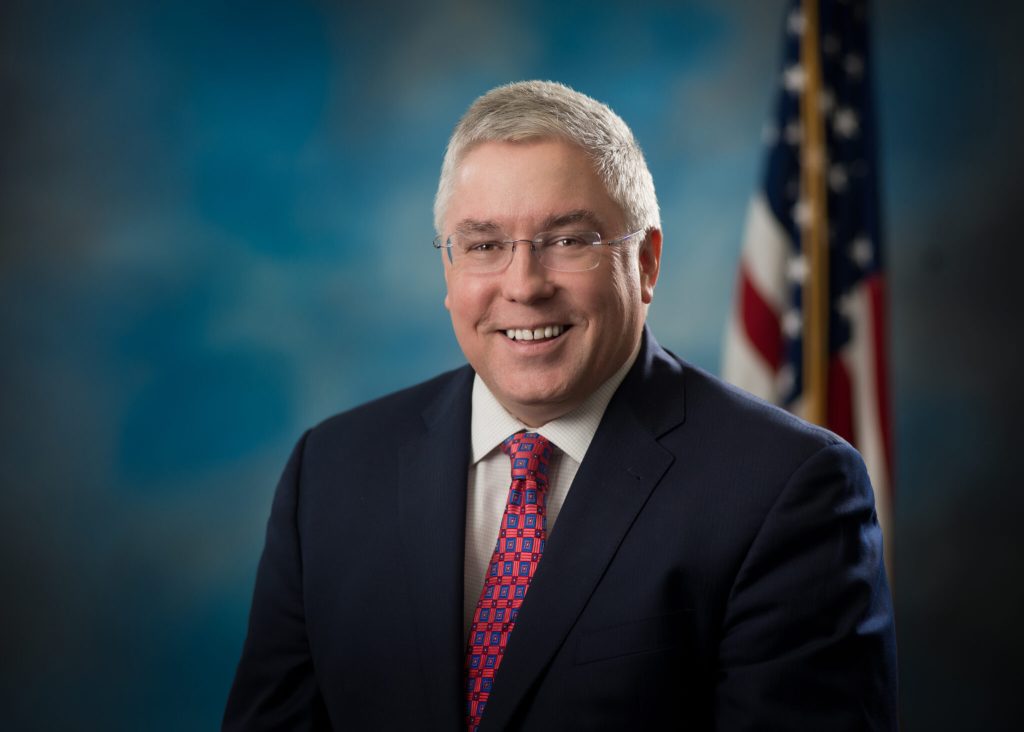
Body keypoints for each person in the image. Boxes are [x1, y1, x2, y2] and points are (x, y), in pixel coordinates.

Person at [223, 80, 898, 731]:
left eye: (569, 241)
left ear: (647, 264)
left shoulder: (787, 488)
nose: (524, 285)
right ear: (448, 270)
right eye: (485, 245)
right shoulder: (331, 472)